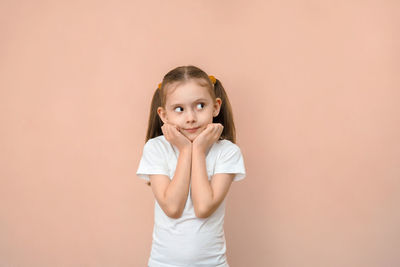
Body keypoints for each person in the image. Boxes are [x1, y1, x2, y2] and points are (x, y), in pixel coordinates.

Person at [136, 65, 246, 267]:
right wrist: (186, 151)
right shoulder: (156, 149)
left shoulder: (227, 152)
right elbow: (172, 207)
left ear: (216, 106)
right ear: (164, 115)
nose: (191, 118)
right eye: (179, 109)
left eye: (200, 106)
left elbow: (204, 208)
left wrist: (199, 151)